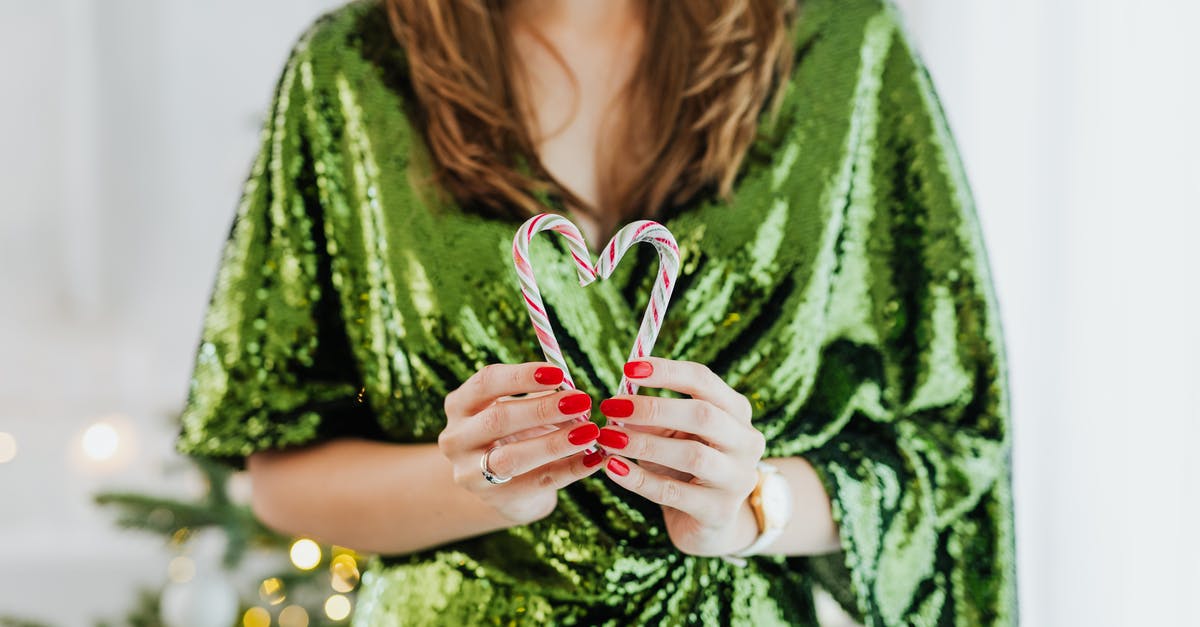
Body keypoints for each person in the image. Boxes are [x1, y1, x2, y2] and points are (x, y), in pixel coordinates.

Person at [175, 0, 1017, 624]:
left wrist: (751, 503)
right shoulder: (354, 70)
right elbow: (279, 470)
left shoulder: (843, 49)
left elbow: (952, 444)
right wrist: (472, 484)